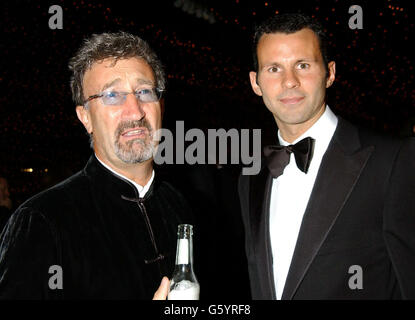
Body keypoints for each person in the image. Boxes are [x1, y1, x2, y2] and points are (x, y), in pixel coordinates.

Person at [0, 32, 192, 299]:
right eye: (112, 95)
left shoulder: (182, 204)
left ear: (160, 104)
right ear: (85, 117)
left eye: (144, 91)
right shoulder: (42, 221)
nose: (135, 111)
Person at [239, 13, 415, 299]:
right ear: (255, 82)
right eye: (273, 69)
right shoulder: (252, 175)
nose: (289, 82)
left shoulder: (392, 162)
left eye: (303, 65)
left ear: (329, 73)